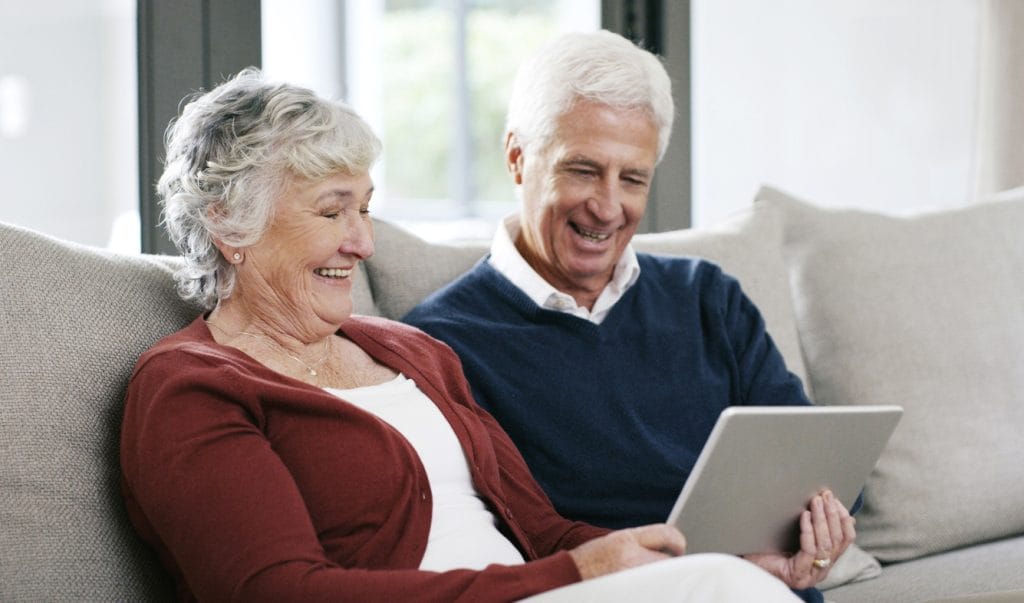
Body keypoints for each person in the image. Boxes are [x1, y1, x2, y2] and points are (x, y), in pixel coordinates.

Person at [118, 68, 804, 602]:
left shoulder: (415, 352)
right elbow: (278, 592)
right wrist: (563, 576)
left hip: (538, 592)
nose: (361, 242)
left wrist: (710, 556)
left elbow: (546, 532)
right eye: (333, 211)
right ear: (229, 223)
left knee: (731, 583)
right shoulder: (191, 388)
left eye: (366, 209)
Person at [402, 30, 855, 603]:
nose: (608, 206)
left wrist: (812, 539)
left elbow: (822, 466)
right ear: (518, 159)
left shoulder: (706, 296)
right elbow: (509, 547)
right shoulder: (440, 345)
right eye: (583, 170)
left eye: (633, 178)